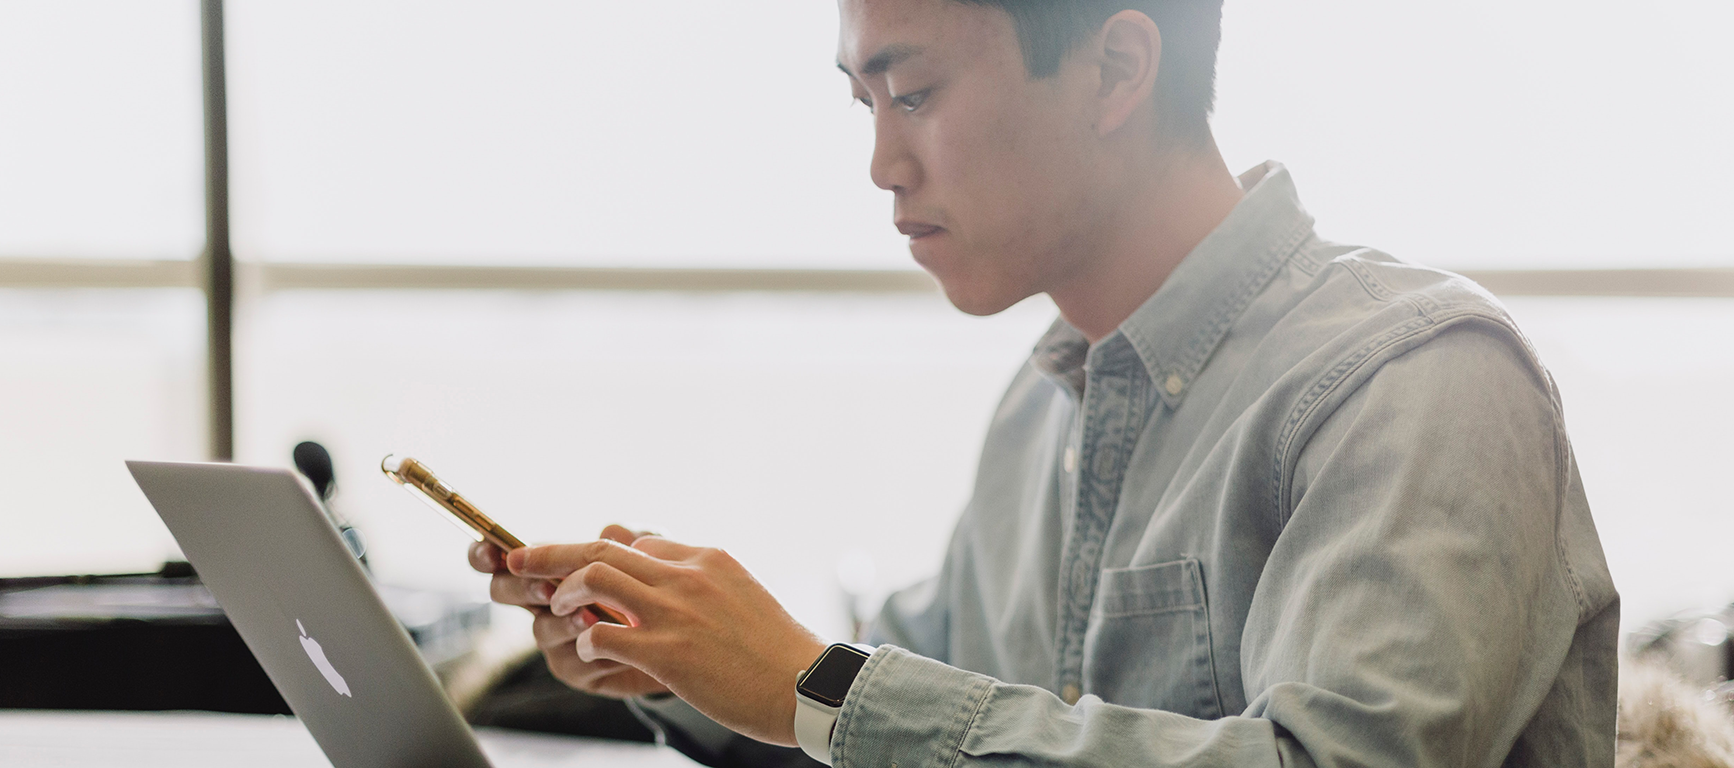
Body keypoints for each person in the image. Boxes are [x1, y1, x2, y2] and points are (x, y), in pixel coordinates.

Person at [471, 0, 1621, 765]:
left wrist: (814, 683)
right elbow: (902, 711)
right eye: (862, 105)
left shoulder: (1415, 384)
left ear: (1116, 68)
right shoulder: (1043, 410)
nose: (880, 165)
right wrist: (671, 660)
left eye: (912, 93)